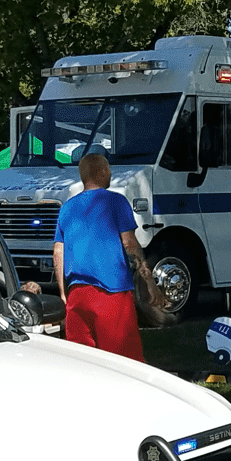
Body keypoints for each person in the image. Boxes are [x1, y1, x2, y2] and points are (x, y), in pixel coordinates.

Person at [53, 152, 145, 361]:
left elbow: (58, 252)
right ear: (103, 172)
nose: (111, 173)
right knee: (123, 361)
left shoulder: (67, 208)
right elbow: (129, 243)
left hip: (77, 292)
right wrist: (148, 280)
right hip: (112, 290)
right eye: (109, 169)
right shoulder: (116, 202)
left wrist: (63, 292)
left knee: (84, 361)